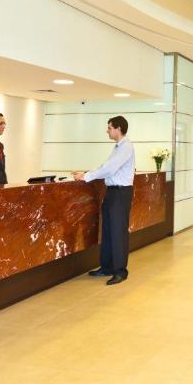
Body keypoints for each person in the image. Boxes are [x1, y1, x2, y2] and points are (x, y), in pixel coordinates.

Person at [73, 116, 135, 285]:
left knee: (118, 232)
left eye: (109, 127)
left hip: (121, 193)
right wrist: (86, 174)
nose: (107, 130)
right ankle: (107, 267)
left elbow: (109, 169)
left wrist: (87, 177)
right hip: (112, 193)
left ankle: (120, 271)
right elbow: (104, 166)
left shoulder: (126, 147)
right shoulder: (118, 147)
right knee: (108, 231)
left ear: (118, 128)